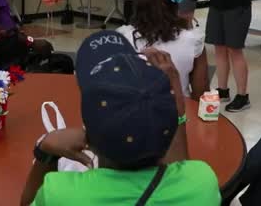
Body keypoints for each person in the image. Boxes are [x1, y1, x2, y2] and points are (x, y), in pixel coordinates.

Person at [20, 31, 220, 205]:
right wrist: (174, 94)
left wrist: (44, 152)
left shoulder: (60, 193)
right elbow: (180, 170)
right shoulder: (202, 184)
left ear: (86, 135)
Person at [117, 0, 209, 99]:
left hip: (133, 113)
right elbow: (200, 95)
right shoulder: (193, 41)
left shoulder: (121, 38)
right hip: (178, 112)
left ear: (137, 6)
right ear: (174, 5)